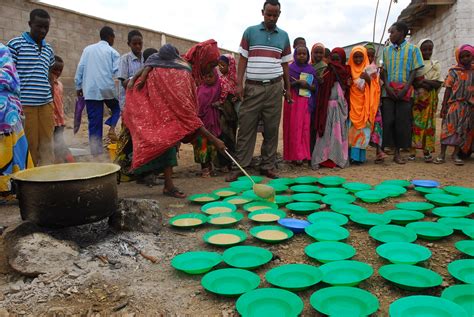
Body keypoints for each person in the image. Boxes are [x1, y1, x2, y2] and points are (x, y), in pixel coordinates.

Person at [123, 44, 225, 198]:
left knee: (168, 142)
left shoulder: (182, 68)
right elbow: (189, 117)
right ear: (202, 60)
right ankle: (121, 177)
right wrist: (215, 140)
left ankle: (166, 185)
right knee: (165, 140)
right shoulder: (181, 74)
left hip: (160, 114)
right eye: (210, 65)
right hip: (149, 110)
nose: (211, 70)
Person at [226, 0, 292, 181]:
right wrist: (239, 84)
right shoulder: (250, 32)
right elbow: (242, 59)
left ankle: (267, 166)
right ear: (262, 12)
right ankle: (240, 166)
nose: (271, 18)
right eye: (268, 14)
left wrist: (288, 88)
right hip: (253, 87)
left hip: (274, 87)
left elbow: (285, 64)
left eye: (275, 15)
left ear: (279, 14)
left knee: (271, 129)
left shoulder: (284, 36)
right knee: (246, 126)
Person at [7, 9, 55, 166]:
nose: (42, 30)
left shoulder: (49, 49)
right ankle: (31, 181)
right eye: (38, 26)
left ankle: (49, 177)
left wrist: (52, 98)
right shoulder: (15, 45)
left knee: (48, 144)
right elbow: (8, 74)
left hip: (46, 104)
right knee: (29, 145)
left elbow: (50, 74)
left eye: (46, 27)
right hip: (25, 106)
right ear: (30, 24)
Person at [381, 21, 424, 164]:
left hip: (405, 91)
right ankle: (388, 148)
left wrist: (405, 88)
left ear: (401, 33)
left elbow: (414, 71)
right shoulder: (386, 50)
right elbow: (384, 71)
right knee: (388, 120)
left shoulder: (413, 49)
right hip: (388, 92)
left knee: (402, 122)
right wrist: (387, 87)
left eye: (392, 32)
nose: (390, 35)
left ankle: (398, 153)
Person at [75, 26, 121, 156]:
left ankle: (96, 153)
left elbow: (81, 68)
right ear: (111, 37)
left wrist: (78, 86)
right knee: (118, 108)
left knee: (94, 122)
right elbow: (118, 72)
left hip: (90, 90)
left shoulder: (87, 50)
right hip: (107, 88)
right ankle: (112, 126)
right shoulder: (113, 52)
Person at [0, 43, 33, 197]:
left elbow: (11, 79)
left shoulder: (2, 50)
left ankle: (12, 188)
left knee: (14, 153)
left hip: (6, 113)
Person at [311, 48, 350, 169]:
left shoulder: (346, 73)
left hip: (339, 110)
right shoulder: (327, 72)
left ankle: (338, 160)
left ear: (342, 60)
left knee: (338, 135)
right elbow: (322, 91)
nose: (335, 62)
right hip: (327, 109)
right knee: (325, 134)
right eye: (332, 59)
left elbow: (347, 93)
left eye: (337, 60)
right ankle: (322, 160)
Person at [435, 44, 473, 165]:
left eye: (468, 56)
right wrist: (444, 106)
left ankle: (456, 154)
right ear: (458, 58)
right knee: (447, 129)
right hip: (454, 105)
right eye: (462, 57)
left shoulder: (473, 71)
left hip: (467, 107)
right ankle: (442, 154)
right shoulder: (454, 71)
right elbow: (448, 89)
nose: (465, 59)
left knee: (461, 131)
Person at [409, 38, 442, 162]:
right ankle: (412, 151)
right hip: (417, 101)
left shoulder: (435, 64)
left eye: (430, 49)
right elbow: (413, 81)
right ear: (419, 50)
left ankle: (427, 151)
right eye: (424, 49)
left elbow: (438, 83)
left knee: (429, 125)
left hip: (430, 100)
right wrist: (425, 83)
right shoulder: (416, 65)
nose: (427, 52)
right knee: (415, 124)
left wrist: (424, 81)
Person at [347, 46, 381, 164]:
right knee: (352, 131)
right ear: (351, 57)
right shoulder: (348, 69)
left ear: (364, 56)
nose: (358, 59)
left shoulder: (370, 70)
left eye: (360, 56)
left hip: (365, 105)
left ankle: (360, 157)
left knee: (363, 131)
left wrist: (368, 80)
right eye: (355, 56)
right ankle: (352, 156)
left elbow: (376, 89)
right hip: (353, 104)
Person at [283, 46, 316, 164]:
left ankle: (302, 155)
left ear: (308, 56)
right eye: (299, 54)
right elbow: (285, 86)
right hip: (293, 101)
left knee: (304, 128)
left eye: (304, 54)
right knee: (293, 127)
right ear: (295, 55)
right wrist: (297, 82)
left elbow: (314, 87)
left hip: (305, 102)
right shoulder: (289, 69)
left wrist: (307, 85)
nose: (302, 56)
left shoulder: (311, 70)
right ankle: (292, 155)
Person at [194, 68, 222, 177]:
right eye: (205, 77)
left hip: (213, 120)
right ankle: (204, 168)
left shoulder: (219, 87)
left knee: (212, 145)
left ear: (215, 75)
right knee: (202, 144)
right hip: (201, 122)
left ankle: (210, 166)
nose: (208, 79)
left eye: (210, 76)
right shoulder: (200, 88)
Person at [50, 55, 74, 163]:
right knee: (56, 145)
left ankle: (70, 164)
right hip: (51, 121)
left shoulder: (59, 84)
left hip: (60, 121)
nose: (58, 72)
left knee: (59, 145)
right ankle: (68, 164)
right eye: (55, 70)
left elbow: (60, 104)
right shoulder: (47, 84)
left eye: (60, 70)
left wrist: (63, 120)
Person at [217, 54, 238, 171]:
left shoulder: (235, 80)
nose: (220, 68)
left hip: (232, 114)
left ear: (230, 66)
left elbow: (238, 96)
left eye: (223, 65)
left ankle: (232, 162)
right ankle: (223, 163)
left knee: (231, 137)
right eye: (219, 65)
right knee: (223, 135)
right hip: (222, 113)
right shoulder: (219, 80)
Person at [365, 42, 385, 163]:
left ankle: (378, 151)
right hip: (362, 104)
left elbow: (378, 86)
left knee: (377, 125)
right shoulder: (358, 68)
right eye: (368, 56)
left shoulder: (376, 70)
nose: (370, 58)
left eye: (372, 56)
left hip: (374, 102)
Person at [118, 30, 144, 110]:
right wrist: (139, 75)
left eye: (140, 43)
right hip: (128, 103)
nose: (138, 46)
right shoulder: (125, 59)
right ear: (129, 44)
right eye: (134, 44)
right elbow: (124, 84)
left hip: (142, 102)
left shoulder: (146, 58)